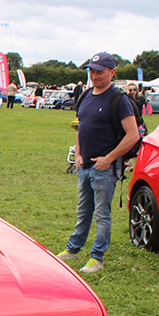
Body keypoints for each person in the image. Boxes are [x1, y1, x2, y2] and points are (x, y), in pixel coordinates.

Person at [56, 52, 139, 274]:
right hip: (84, 166)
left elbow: (133, 135)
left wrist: (109, 159)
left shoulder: (118, 99)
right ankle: (73, 250)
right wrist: (79, 153)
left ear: (112, 72)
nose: (94, 75)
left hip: (105, 168)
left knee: (102, 214)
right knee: (83, 211)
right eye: (91, 71)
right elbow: (81, 127)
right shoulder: (85, 95)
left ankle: (97, 258)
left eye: (100, 71)